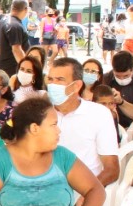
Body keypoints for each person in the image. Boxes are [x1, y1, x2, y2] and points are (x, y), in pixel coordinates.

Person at [47, 58, 120, 186]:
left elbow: (111, 169)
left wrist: (89, 192)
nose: (53, 85)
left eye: (60, 79)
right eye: (50, 79)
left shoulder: (99, 114)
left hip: (82, 187)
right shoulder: (40, 112)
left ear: (76, 86)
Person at [103, 50, 133, 131]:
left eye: (126, 76)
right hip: (111, 125)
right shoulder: (106, 78)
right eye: (117, 76)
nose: (121, 79)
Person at [0, 0, 30, 77]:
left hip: (2, 65)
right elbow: (17, 49)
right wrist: (26, 68)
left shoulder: (3, 20)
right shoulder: (15, 25)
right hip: (11, 69)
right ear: (26, 9)